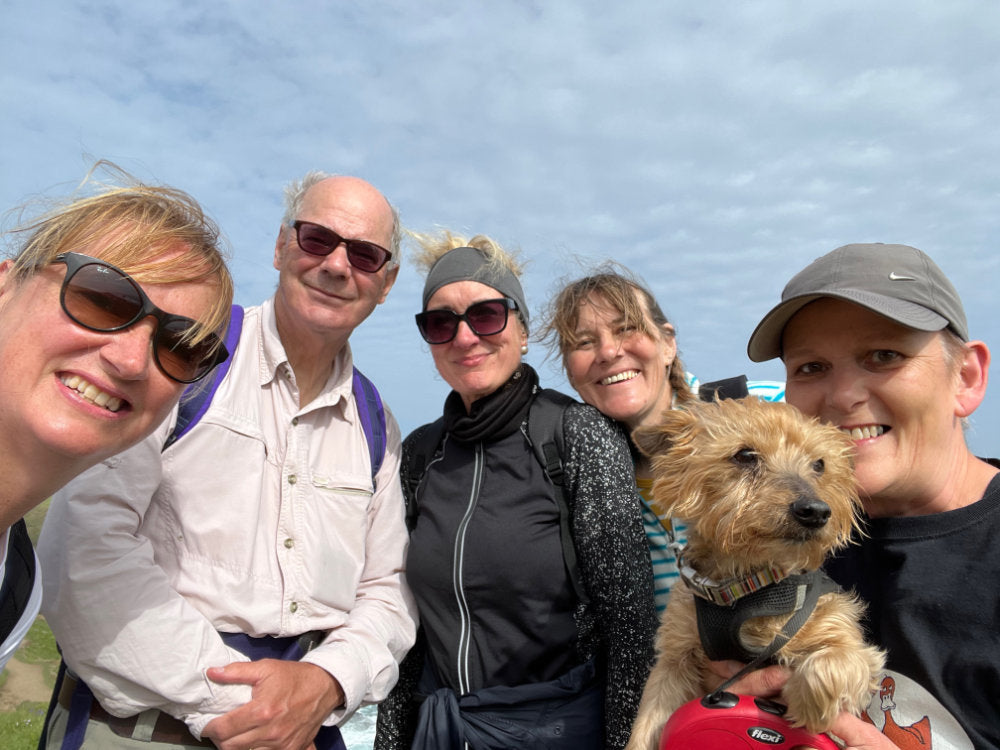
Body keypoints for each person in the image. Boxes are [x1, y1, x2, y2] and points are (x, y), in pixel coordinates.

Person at [38, 172, 417, 750]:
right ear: (281, 246)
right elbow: (84, 550)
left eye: (366, 255)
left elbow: (387, 590)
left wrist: (327, 680)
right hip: (147, 726)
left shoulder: (374, 423)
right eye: (318, 238)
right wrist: (257, 711)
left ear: (386, 284)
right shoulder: (185, 357)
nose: (338, 266)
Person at [374, 234, 656, 750]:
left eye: (486, 315)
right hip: (438, 730)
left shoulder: (575, 434)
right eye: (442, 323)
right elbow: (410, 631)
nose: (464, 338)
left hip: (555, 730)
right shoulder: (419, 453)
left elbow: (630, 625)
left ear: (522, 330)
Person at [746, 242, 999, 749]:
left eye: (884, 355)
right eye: (811, 367)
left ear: (966, 378)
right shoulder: (777, 545)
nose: (842, 397)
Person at [0, 167, 233, 674]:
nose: (130, 360)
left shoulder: (15, 587)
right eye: (101, 299)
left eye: (180, 347)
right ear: (5, 285)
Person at [543, 266, 783, 612]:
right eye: (583, 342)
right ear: (570, 370)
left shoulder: (769, 408)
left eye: (626, 328)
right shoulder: (575, 481)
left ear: (668, 343)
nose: (608, 352)